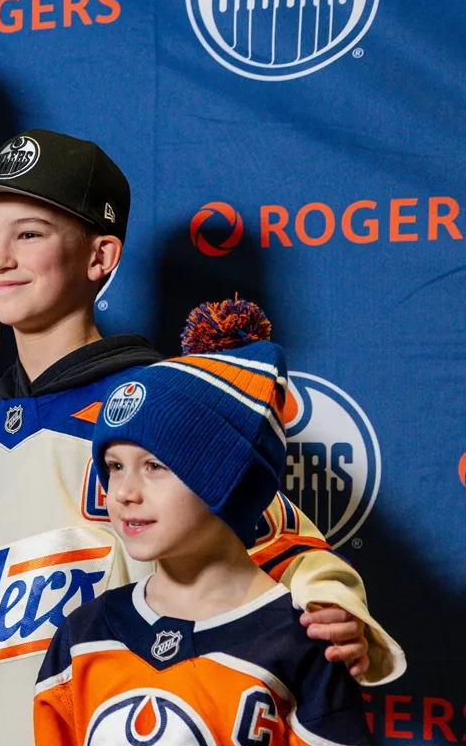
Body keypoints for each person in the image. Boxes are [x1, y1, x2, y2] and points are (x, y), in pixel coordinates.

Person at [0, 130, 404, 745]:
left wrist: (331, 603)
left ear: (100, 258)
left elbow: (284, 542)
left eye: (30, 234)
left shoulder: (151, 410)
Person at [33, 300, 372, 746]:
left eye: (155, 465)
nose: (123, 492)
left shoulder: (303, 639)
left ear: (226, 477)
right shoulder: (83, 635)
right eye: (114, 466)